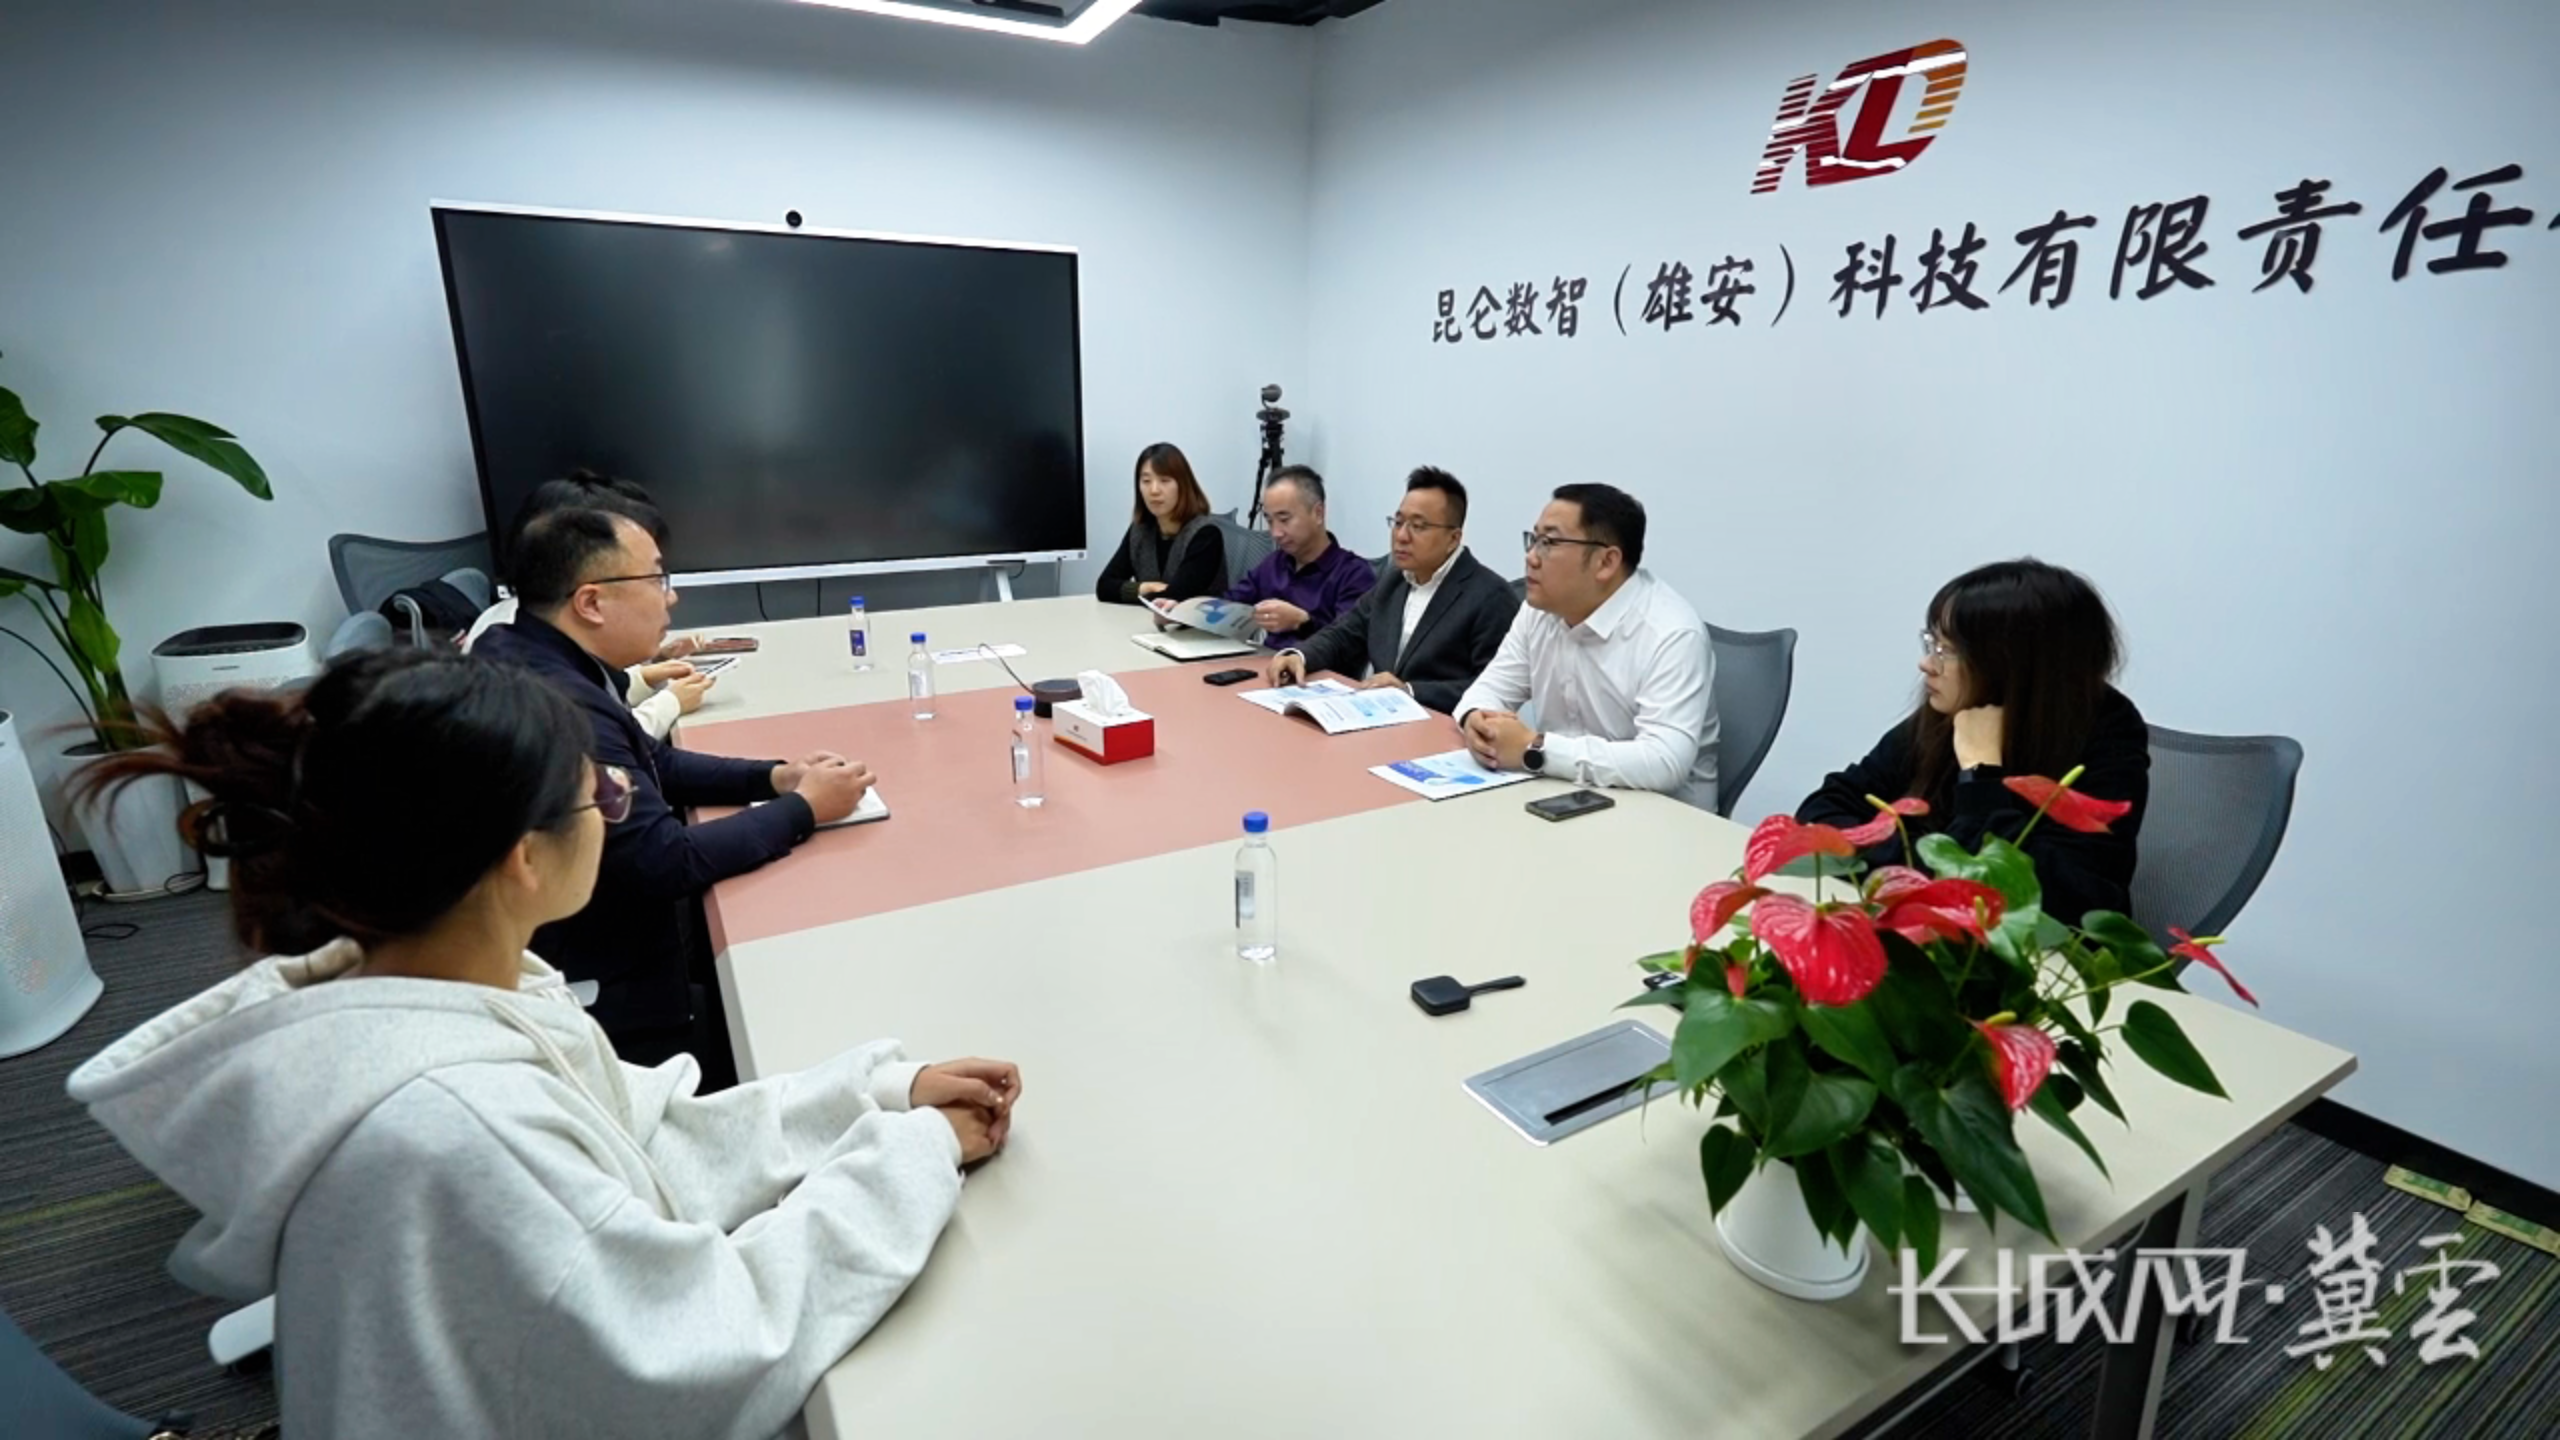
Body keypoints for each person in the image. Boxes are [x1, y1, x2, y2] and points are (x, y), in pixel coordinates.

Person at [65, 649, 1019, 1438]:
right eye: (600, 794)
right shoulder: (455, 1125)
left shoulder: (447, 982)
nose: (618, 799)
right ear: (523, 858)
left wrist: (874, 1093)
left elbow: (644, 1139)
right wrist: (910, 1160)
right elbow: (704, 1351)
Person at [474, 507, 872, 1075]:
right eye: (657, 578)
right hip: (605, 999)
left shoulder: (538, 653)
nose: (672, 597)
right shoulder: (559, 704)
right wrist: (804, 808)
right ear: (591, 603)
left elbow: (651, 758)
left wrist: (773, 777)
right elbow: (663, 860)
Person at [1796, 558, 2149, 925]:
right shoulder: (1950, 711)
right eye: (1932, 642)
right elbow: (1824, 808)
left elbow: (2053, 895)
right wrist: (1923, 869)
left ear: (2011, 665)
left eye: (1948, 651)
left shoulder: (2106, 733)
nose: (1927, 664)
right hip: (1929, 929)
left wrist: (1981, 771)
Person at [1454, 483, 1720, 810]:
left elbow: (1664, 761)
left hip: (1661, 816)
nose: (1531, 557)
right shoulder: (1540, 610)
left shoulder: (1671, 633)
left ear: (1606, 562)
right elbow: (1488, 690)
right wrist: (1476, 721)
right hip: (1561, 797)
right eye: (1533, 539)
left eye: (1549, 543)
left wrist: (1535, 748)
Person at [463, 468, 712, 741]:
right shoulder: (520, 647)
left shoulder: (540, 628)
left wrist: (646, 672)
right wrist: (668, 704)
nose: (670, 596)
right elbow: (596, 737)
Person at [1269, 466, 1518, 713]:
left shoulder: (1490, 596)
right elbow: (1344, 633)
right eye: (1398, 522)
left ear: (1453, 539)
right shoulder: (1394, 581)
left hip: (1442, 727)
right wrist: (1299, 656)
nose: (1401, 536)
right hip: (1381, 718)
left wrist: (1410, 691)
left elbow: (1495, 689)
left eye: (1418, 526)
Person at [1219, 465, 1374, 649]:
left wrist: (1302, 622)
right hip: (1263, 660)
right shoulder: (1274, 563)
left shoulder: (1353, 574)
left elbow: (1348, 643)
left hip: (1313, 665)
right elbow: (1232, 602)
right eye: (1269, 520)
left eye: (1284, 519)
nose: (1275, 533)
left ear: (1318, 513)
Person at [1093, 442, 1227, 605]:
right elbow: (1104, 586)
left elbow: (1174, 597)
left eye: (1164, 480)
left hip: (1197, 621)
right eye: (1146, 481)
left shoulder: (1206, 533)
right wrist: (1145, 587)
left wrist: (1131, 592)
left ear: (1183, 485)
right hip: (1147, 620)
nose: (1154, 490)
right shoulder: (1140, 530)